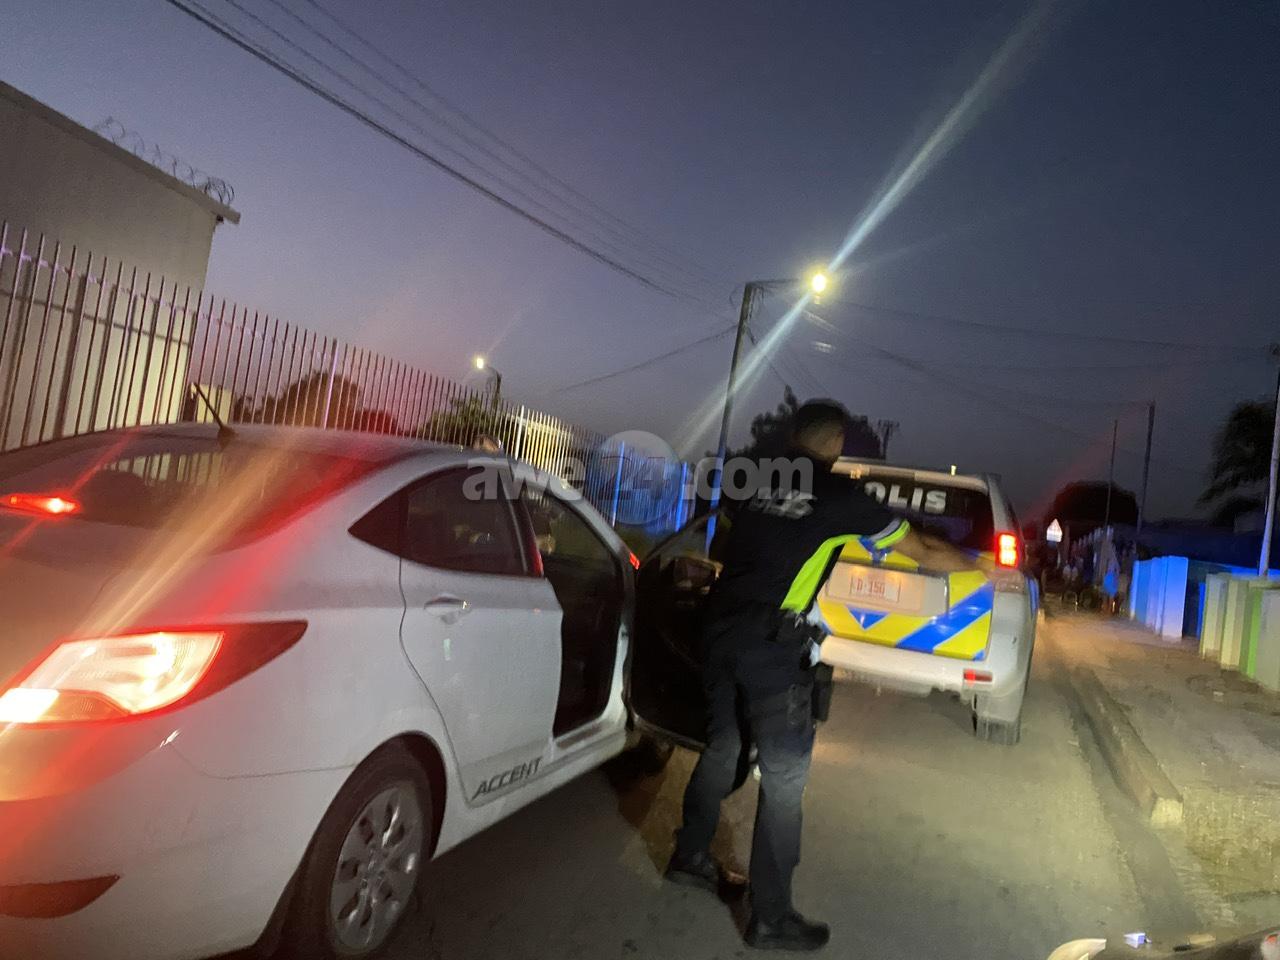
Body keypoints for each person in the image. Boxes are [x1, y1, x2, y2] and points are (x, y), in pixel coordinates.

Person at [665, 400, 985, 951]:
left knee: (722, 748)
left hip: (718, 630)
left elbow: (728, 542)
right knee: (785, 781)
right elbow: (926, 551)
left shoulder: (754, 479)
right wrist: (981, 566)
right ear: (836, 443)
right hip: (772, 648)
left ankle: (689, 856)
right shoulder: (842, 497)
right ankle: (770, 918)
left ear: (794, 435)